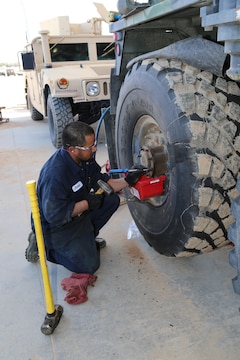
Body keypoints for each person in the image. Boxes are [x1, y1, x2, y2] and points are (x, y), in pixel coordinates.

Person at [25, 121, 144, 274]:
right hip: (55, 226)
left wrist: (128, 181)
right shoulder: (55, 175)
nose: (94, 149)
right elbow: (55, 215)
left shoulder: (85, 160)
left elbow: (103, 181)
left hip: (77, 214)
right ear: (73, 150)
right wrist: (87, 203)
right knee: (88, 266)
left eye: (94, 144)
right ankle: (45, 246)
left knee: (111, 200)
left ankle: (85, 239)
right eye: (90, 147)